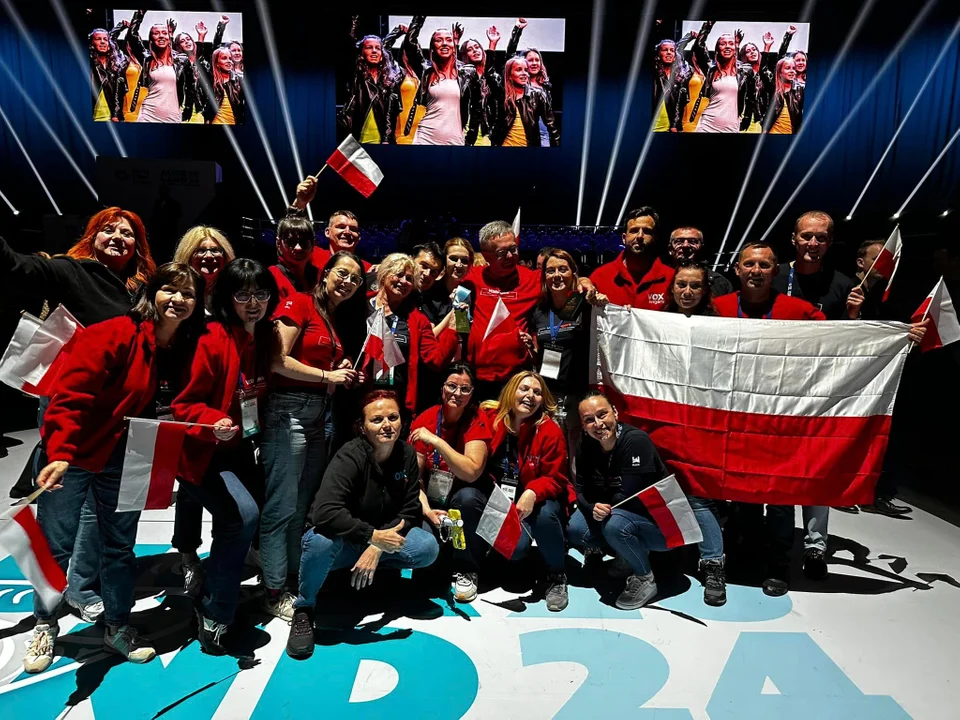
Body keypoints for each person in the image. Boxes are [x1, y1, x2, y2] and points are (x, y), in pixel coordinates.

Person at [25, 263, 205, 673]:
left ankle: (118, 627)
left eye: (189, 294)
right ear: (152, 293)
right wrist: (60, 451)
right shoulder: (114, 334)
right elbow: (70, 396)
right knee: (55, 547)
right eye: (170, 290)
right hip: (76, 455)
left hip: (132, 456)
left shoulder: (184, 347)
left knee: (119, 548)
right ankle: (44, 624)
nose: (179, 299)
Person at [1, 209, 157, 620]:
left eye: (128, 233)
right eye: (108, 229)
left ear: (138, 245)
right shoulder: (70, 270)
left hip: (127, 418)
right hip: (73, 411)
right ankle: (45, 616)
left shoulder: (144, 289)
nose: (118, 236)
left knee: (106, 515)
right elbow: (15, 266)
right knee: (61, 518)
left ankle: (83, 588)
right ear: (92, 236)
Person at [171, 259, 277, 654]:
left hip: (239, 449)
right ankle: (215, 611)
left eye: (261, 294)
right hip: (202, 453)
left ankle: (217, 587)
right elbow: (184, 405)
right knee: (240, 517)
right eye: (243, 295)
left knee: (253, 516)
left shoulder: (262, 336)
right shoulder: (213, 338)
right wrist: (212, 421)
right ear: (227, 298)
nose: (253, 303)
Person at [286, 391, 440, 659]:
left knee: (426, 546)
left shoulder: (406, 454)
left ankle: (382, 582)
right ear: (362, 426)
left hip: (377, 538)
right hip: (344, 541)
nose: (387, 425)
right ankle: (304, 609)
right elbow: (325, 512)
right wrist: (371, 536)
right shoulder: (349, 456)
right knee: (320, 542)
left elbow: (410, 509)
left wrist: (377, 546)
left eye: (393, 417)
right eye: (377, 419)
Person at [259, 252, 366, 620]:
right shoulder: (300, 303)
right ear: (326, 273)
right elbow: (277, 361)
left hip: (318, 414)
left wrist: (339, 370)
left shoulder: (330, 317)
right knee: (281, 507)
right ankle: (273, 589)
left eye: (355, 279)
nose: (348, 282)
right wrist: (327, 376)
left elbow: (314, 364)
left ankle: (289, 578)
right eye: (343, 273)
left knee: (302, 506)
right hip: (288, 412)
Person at [714, 243, 824, 596]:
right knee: (741, 491)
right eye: (749, 264)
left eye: (764, 265)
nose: (756, 271)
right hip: (735, 419)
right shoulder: (718, 308)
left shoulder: (798, 310)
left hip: (780, 421)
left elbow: (839, 343)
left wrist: (895, 335)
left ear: (776, 271)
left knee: (779, 495)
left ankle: (778, 562)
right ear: (737, 269)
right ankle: (747, 553)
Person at [572, 392, 723, 608]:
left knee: (614, 525)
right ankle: (627, 553)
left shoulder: (636, 441)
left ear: (615, 412)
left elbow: (626, 496)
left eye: (602, 414)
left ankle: (644, 578)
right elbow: (580, 488)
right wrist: (591, 506)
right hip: (619, 512)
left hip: (660, 523)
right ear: (583, 425)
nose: (598, 423)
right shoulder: (585, 443)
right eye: (589, 419)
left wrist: (600, 508)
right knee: (577, 529)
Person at [464, 371, 573, 611]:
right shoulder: (489, 418)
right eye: (524, 389)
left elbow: (557, 478)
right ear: (511, 391)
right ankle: (470, 568)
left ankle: (556, 576)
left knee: (543, 518)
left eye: (537, 392)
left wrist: (533, 492)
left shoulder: (550, 431)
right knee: (466, 498)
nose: (530, 395)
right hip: (497, 497)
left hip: (534, 502)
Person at [660, 264, 728, 604]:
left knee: (698, 494)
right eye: (681, 285)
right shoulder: (654, 324)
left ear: (705, 291)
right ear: (672, 289)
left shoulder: (720, 328)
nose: (687, 292)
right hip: (664, 420)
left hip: (702, 421)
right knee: (662, 490)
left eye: (695, 286)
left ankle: (713, 564)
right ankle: (660, 556)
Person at [408, 364, 492, 602]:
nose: (457, 393)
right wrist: (427, 511)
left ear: (472, 393)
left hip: (465, 496)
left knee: (467, 499)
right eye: (452, 386)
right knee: (428, 578)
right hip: (432, 499)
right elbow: (415, 479)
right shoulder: (425, 419)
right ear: (442, 388)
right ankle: (443, 560)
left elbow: (471, 472)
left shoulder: (477, 419)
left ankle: (468, 568)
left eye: (465, 389)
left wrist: (437, 442)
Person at [366, 254, 460, 419]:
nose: (404, 281)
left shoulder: (417, 320)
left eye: (409, 279)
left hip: (397, 401)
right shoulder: (360, 306)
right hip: (358, 395)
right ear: (384, 274)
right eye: (399, 275)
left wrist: (453, 326)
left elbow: (436, 360)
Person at [461, 221, 540, 400]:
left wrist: (584, 281)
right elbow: (458, 317)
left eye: (513, 249)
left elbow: (569, 283)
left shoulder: (533, 279)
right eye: (502, 253)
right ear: (486, 256)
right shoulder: (472, 277)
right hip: (476, 375)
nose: (511, 256)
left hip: (516, 377)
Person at [529, 250, 593, 438]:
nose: (556, 275)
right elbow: (539, 349)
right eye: (550, 271)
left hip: (579, 394)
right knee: (552, 443)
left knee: (577, 446)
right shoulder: (538, 311)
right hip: (549, 393)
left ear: (573, 273)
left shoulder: (585, 305)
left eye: (563, 269)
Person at [403, 16, 481, 146]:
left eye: (449, 40)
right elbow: (410, 44)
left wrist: (470, 138)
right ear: (433, 47)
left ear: (453, 46)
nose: (444, 43)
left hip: (455, 140)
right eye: (439, 40)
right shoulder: (426, 71)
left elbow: (476, 109)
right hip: (425, 138)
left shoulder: (468, 73)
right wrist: (420, 16)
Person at [772, 211, 862, 320]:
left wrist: (853, 315)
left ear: (830, 241)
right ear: (793, 239)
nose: (813, 244)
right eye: (806, 236)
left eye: (821, 238)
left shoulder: (843, 285)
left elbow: (846, 328)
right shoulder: (773, 276)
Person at [587, 207, 675, 310]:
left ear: (655, 238)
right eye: (634, 231)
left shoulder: (671, 278)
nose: (640, 236)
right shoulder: (600, 276)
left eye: (647, 231)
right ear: (624, 238)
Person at [126, 11, 196, 123]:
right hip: (148, 114)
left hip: (173, 115)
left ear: (169, 37)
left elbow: (190, 86)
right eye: (156, 33)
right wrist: (139, 15)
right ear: (151, 39)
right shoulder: (147, 58)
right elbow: (132, 37)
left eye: (164, 33)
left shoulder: (182, 60)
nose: (161, 36)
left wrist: (188, 108)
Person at [691, 24, 755, 133]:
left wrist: (747, 118)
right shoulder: (711, 69)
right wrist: (708, 26)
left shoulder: (745, 71)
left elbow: (751, 98)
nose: (727, 46)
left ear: (735, 48)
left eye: (731, 43)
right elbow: (699, 47)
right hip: (707, 125)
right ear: (717, 49)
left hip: (731, 126)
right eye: (723, 44)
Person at [338, 34, 400, 144]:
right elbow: (349, 45)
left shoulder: (389, 82)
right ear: (361, 54)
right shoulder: (355, 76)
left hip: (381, 142)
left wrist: (386, 140)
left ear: (382, 55)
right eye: (369, 47)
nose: (374, 51)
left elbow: (390, 115)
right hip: (355, 142)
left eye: (378, 48)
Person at [491, 57, 559, 147]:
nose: (524, 73)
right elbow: (489, 75)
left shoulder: (537, 95)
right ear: (510, 75)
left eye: (526, 70)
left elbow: (552, 126)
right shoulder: (503, 95)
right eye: (519, 70)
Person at [458, 25, 504, 145]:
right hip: (466, 129)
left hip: (487, 131)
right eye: (470, 49)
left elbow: (499, 99)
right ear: (465, 55)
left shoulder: (494, 76)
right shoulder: (464, 77)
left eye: (477, 47)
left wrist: (492, 44)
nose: (475, 50)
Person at [172, 226, 235, 310]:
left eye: (215, 250)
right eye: (201, 251)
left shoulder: (233, 292)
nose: (209, 256)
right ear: (187, 256)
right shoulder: (174, 292)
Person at [666, 226, 733, 296]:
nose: (685, 246)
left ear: (702, 248)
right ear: (670, 249)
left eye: (692, 242)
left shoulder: (720, 284)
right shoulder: (659, 280)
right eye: (679, 242)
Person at [269, 214, 320, 301]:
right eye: (290, 242)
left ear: (313, 244)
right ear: (278, 243)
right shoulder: (272, 276)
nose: (298, 248)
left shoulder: (319, 275)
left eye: (304, 242)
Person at [89, 27, 129, 122]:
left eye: (105, 39)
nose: (102, 42)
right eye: (98, 39)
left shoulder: (116, 66)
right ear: (92, 43)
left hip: (111, 117)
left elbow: (119, 93)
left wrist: (116, 114)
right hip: (92, 118)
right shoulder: (89, 63)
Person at [201, 46, 244, 125]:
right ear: (217, 63)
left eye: (230, 58)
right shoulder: (210, 82)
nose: (229, 61)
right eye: (224, 58)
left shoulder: (239, 81)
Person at [766, 57, 803, 134]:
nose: (792, 71)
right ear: (780, 72)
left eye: (794, 68)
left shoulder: (800, 90)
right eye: (788, 68)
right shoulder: (773, 90)